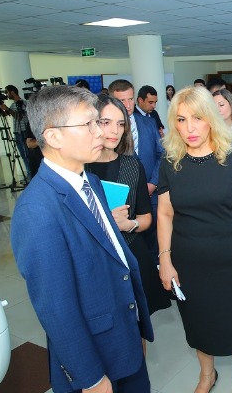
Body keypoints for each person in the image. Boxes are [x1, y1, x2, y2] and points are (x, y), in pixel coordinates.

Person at [10, 85, 154, 393]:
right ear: (54, 137)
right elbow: (56, 308)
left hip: (123, 337)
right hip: (95, 355)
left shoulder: (91, 182)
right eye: (89, 124)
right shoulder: (37, 211)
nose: (100, 132)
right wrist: (90, 378)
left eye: (98, 122)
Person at [157, 86, 232, 393]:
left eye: (198, 118)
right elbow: (164, 213)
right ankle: (207, 375)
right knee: (198, 323)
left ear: (211, 119)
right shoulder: (171, 161)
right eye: (181, 119)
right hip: (189, 265)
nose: (190, 127)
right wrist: (165, 259)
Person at [85, 94, 171, 329]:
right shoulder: (79, 167)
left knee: (136, 327)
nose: (115, 130)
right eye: (106, 122)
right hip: (93, 261)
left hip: (130, 252)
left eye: (121, 123)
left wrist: (128, 224)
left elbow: (146, 218)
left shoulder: (132, 166)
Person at [108, 79, 163, 256]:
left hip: (151, 193)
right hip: (123, 198)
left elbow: (161, 154)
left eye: (130, 99)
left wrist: (153, 183)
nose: (127, 105)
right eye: (121, 100)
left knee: (154, 239)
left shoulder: (148, 122)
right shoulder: (108, 130)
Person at [0, 85, 31, 179]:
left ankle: (31, 174)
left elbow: (19, 117)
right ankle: (29, 174)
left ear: (12, 92)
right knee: (23, 155)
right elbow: (8, 114)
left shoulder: (24, 103)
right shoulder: (13, 104)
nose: (6, 94)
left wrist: (8, 109)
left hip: (24, 132)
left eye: (7, 92)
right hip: (17, 132)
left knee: (27, 155)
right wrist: (2, 109)